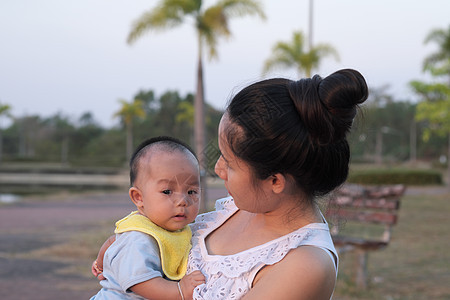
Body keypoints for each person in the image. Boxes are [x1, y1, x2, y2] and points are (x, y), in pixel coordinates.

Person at [93, 69, 368, 299]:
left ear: (274, 181)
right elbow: (169, 243)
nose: (217, 168)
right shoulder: (239, 209)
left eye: (230, 162)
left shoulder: (304, 265)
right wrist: (131, 239)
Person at [90, 136, 205, 300]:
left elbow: (112, 241)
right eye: (167, 192)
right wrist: (179, 290)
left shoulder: (169, 230)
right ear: (138, 197)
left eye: (191, 191)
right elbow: (140, 282)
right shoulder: (139, 238)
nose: (183, 201)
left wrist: (100, 263)